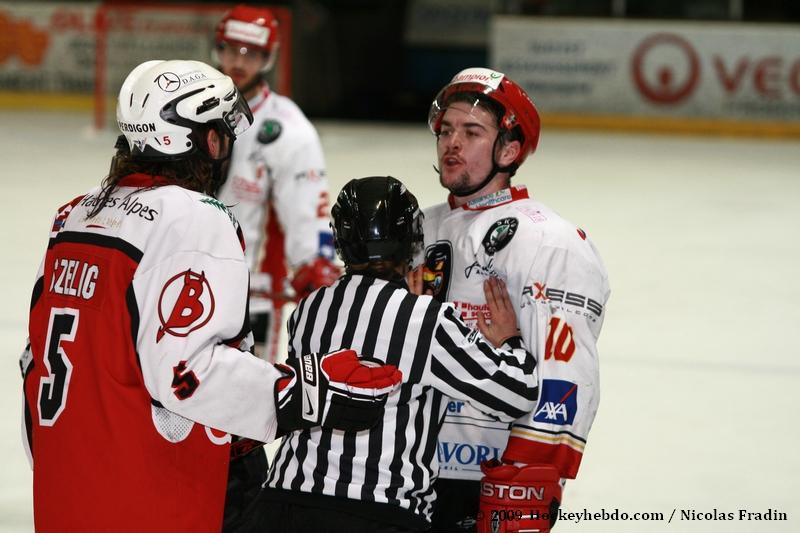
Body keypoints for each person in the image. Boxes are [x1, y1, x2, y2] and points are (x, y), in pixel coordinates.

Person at [19, 59, 400, 533]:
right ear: (204, 140)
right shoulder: (193, 217)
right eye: (220, 131)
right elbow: (186, 374)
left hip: (65, 493)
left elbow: (34, 363)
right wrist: (306, 391)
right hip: (145, 499)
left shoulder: (72, 217)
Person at [239, 176, 540, 533]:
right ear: (413, 239)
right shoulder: (425, 319)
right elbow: (517, 393)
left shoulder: (310, 309)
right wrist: (509, 340)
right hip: (378, 511)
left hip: (282, 502)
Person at [422, 68, 610, 532]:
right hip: (404, 469)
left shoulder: (549, 241)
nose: (452, 143)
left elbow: (564, 377)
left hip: (484, 475)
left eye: (471, 132)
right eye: (446, 130)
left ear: (508, 150)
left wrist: (524, 487)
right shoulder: (420, 229)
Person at [214, 4, 338, 363]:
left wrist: (316, 262)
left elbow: (310, 210)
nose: (239, 62)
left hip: (254, 292)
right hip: (190, 279)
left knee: (246, 388)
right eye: (231, 50)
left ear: (267, 58)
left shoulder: (290, 130)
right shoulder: (191, 112)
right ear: (218, 50)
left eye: (251, 53)